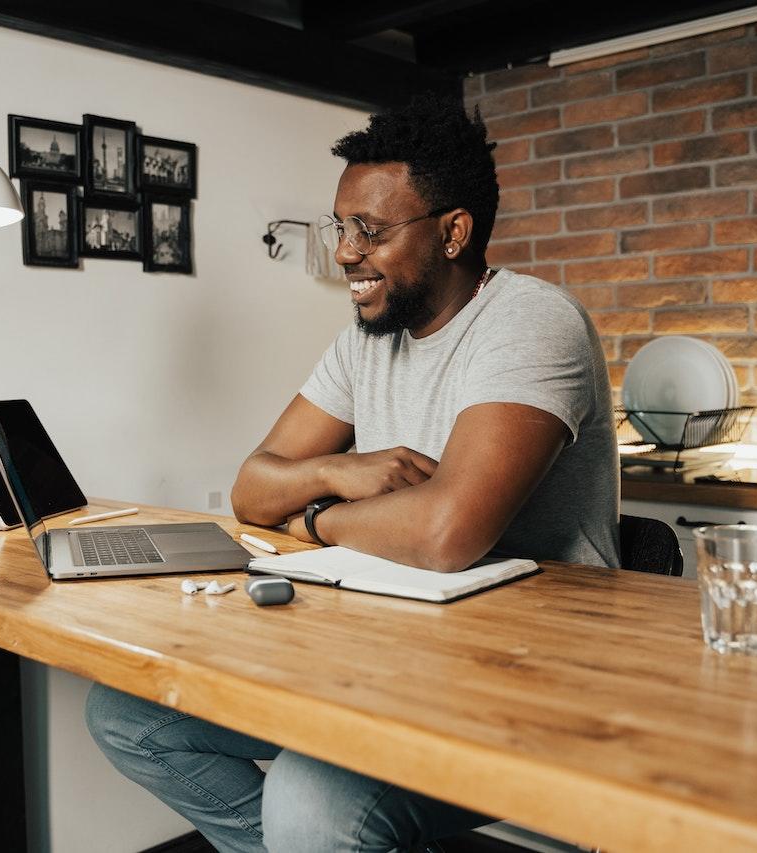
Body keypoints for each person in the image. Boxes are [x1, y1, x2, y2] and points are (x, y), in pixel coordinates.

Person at [86, 93, 619, 853]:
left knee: (310, 801)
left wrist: (312, 518)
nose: (343, 253)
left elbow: (445, 532)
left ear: (454, 232)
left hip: (530, 673)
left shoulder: (530, 322)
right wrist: (343, 470)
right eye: (343, 227)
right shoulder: (367, 342)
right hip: (396, 650)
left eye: (369, 230)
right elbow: (251, 486)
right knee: (128, 714)